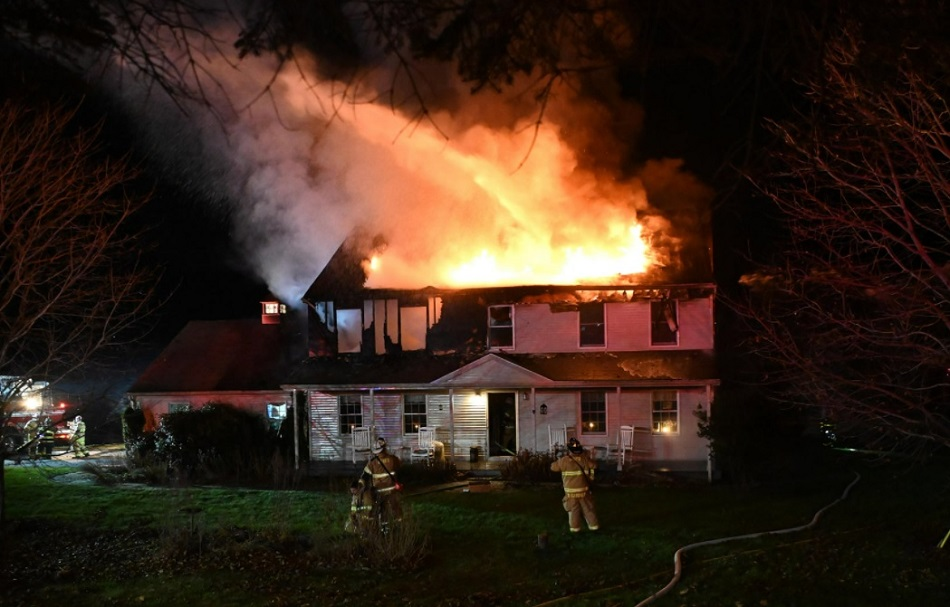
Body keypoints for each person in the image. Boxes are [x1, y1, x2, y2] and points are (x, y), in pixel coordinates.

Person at [550, 437, 599, 533]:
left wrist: (559, 458)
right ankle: (594, 526)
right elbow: (594, 465)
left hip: (571, 493)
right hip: (584, 491)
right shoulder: (584, 459)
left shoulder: (564, 460)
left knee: (573, 511)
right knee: (588, 509)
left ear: (569, 450)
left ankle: (575, 529)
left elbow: (553, 467)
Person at [359, 437, 402, 528]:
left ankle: (383, 528)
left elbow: (365, 476)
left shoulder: (372, 462)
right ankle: (399, 529)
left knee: (381, 510)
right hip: (392, 490)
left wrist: (360, 485)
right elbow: (399, 467)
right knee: (395, 509)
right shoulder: (393, 459)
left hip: (378, 491)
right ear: (385, 448)